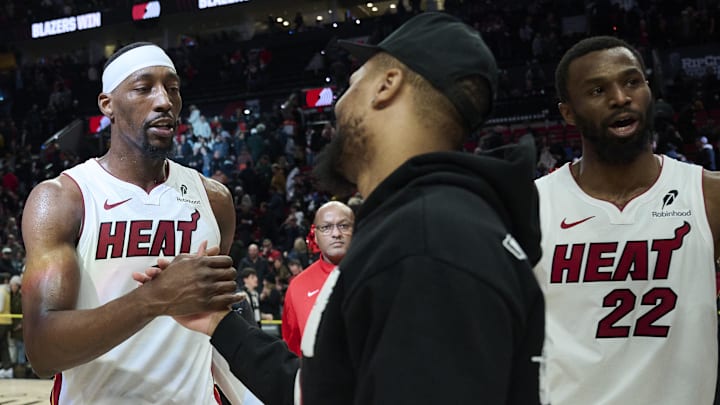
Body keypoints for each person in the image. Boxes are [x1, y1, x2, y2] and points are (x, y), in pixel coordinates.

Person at [152, 13, 545, 404]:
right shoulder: (431, 224)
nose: (339, 104)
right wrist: (220, 326)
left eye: (354, 81)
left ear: (386, 86)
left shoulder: (425, 241)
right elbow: (331, 392)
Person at [20, 42, 245, 403]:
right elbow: (42, 351)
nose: (165, 102)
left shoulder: (214, 199)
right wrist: (152, 299)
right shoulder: (64, 198)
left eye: (173, 89)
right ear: (107, 104)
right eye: (144, 88)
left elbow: (215, 313)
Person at [534, 36, 719, 405]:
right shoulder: (533, 205)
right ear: (568, 112)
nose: (620, 97)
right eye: (598, 89)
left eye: (632, 82)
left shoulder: (708, 195)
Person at [281, 201, 354, 356]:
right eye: (326, 227)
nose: (336, 234)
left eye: (344, 226)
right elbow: (292, 350)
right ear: (315, 235)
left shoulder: (379, 275)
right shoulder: (298, 286)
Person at [0, 273, 11, 378]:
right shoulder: (7, 291)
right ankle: (7, 367)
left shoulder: (1, 291)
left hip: (1, 321)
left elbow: (0, 307)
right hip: (7, 321)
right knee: (4, 346)